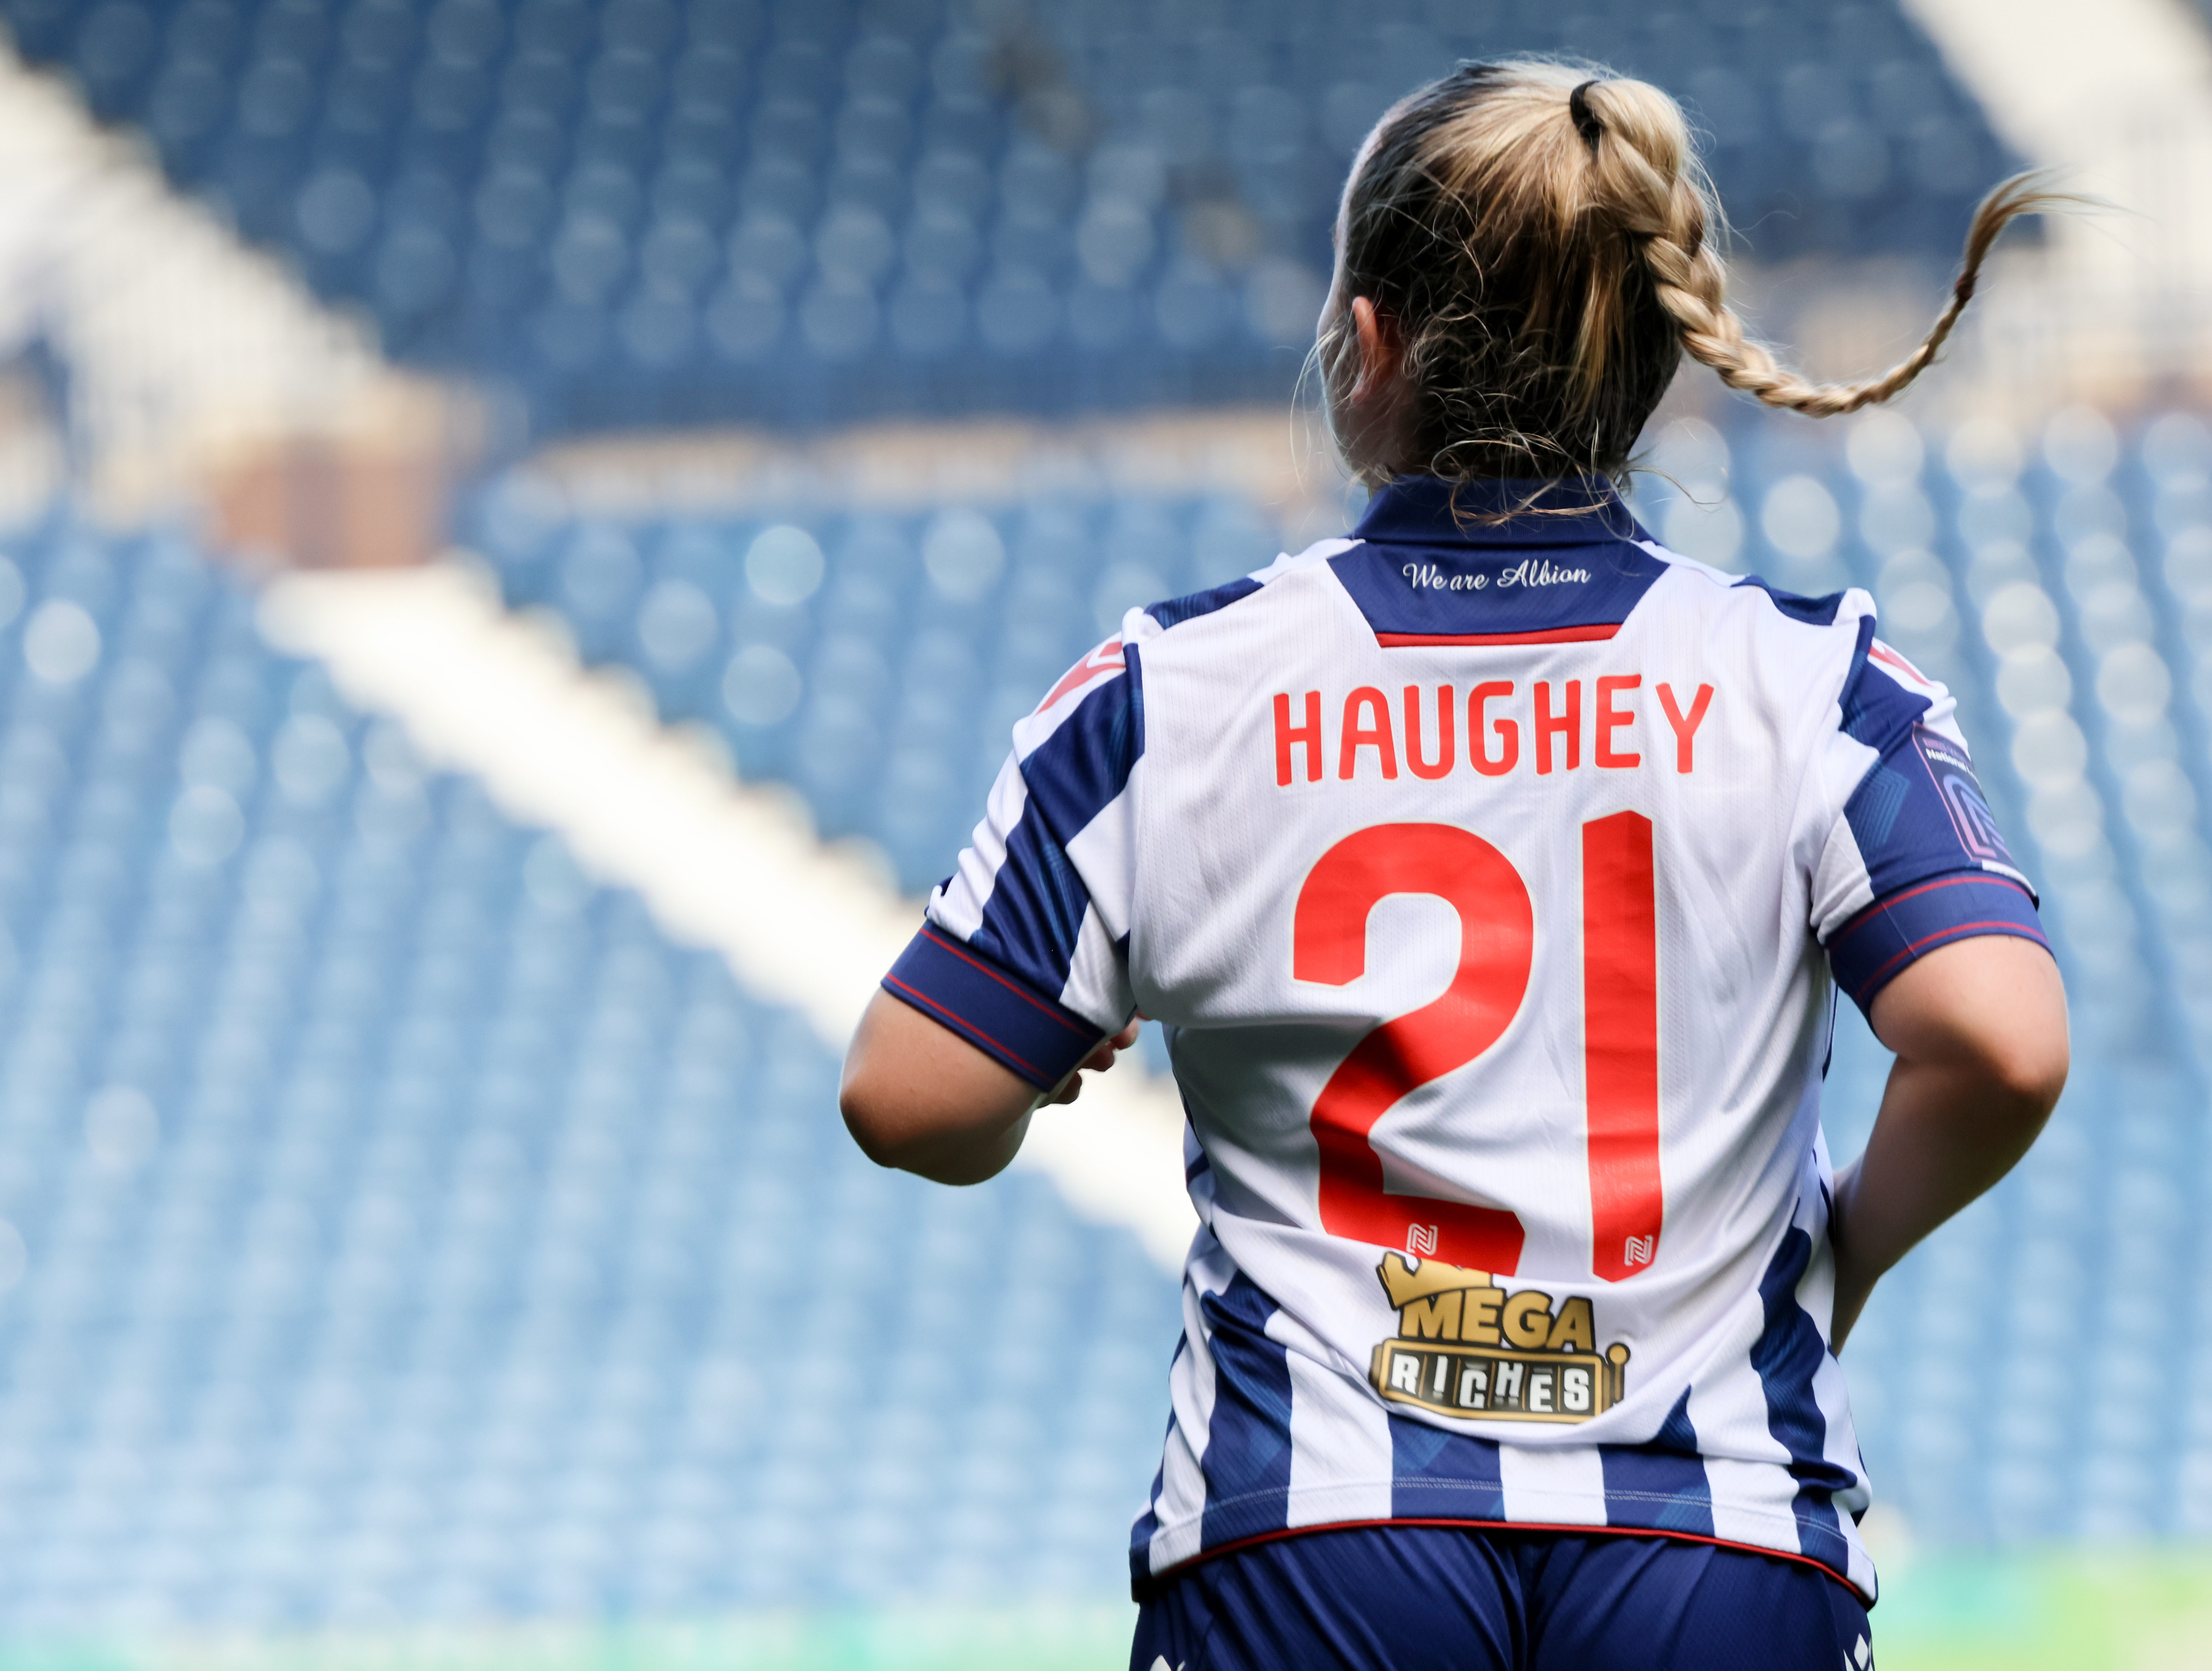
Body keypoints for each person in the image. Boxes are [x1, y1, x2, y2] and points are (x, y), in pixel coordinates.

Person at [841, 59, 2070, 1671]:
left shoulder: (1166, 687)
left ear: (1365, 343)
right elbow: (2002, 1037)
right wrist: (1834, 1258)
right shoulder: (1811, 676)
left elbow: (911, 1097)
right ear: (1656, 360)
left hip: (1311, 1530)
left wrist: (1055, 1052)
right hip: (1720, 1538)